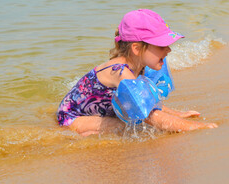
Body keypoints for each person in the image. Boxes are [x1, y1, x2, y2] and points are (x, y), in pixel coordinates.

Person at [57, 9, 218, 136]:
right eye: (161, 46)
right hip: (72, 118)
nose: (168, 50)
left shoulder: (137, 67)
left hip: (94, 113)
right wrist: (197, 127)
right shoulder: (121, 73)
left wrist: (178, 114)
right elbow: (149, 115)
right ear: (136, 48)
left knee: (135, 123)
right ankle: (84, 134)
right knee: (129, 127)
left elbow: (149, 102)